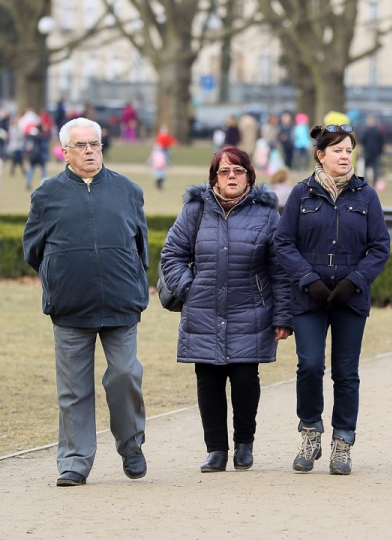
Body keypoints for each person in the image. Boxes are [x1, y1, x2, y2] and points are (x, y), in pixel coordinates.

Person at [22, 117, 149, 487]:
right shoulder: (46, 195)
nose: (90, 150)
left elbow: (140, 247)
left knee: (125, 375)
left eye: (94, 144)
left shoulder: (129, 190)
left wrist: (129, 279)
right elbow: (33, 249)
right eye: (81, 145)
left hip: (121, 304)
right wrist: (59, 279)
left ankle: (131, 446)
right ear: (65, 152)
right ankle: (75, 461)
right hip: (71, 308)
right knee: (74, 389)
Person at [160, 146, 292, 473]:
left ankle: (245, 443)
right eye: (224, 171)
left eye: (238, 170)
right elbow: (172, 254)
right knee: (208, 379)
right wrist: (190, 288)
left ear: (249, 176)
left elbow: (279, 269)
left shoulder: (266, 213)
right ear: (214, 177)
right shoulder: (196, 209)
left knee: (245, 378)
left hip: (251, 309)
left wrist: (282, 315)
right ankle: (216, 449)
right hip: (204, 308)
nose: (231, 176)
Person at [273, 123, 390, 476]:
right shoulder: (301, 194)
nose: (344, 156)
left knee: (346, 372)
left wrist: (355, 280)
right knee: (309, 365)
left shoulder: (366, 195)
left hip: (350, 300)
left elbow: (380, 247)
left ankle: (343, 441)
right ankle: (310, 433)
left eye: (348, 150)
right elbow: (283, 242)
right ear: (320, 155)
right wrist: (308, 279)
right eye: (337, 150)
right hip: (309, 299)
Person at [359, 115, 386, 185]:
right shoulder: (378, 131)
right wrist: (381, 151)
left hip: (367, 151)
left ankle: (366, 180)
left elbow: (362, 141)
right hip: (376, 151)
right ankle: (375, 181)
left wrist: (361, 150)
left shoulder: (366, 130)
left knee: (366, 167)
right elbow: (381, 142)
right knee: (375, 167)